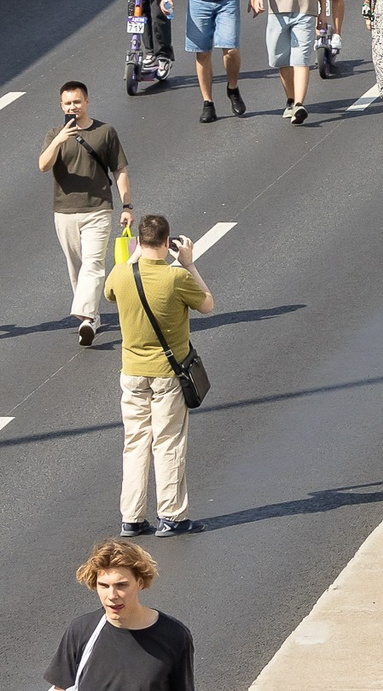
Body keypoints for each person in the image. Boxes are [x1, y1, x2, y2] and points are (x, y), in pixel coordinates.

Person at [102, 214, 211, 537]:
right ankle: (172, 516)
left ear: (139, 241)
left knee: (135, 444)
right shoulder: (175, 278)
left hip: (132, 373)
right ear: (167, 243)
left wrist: (133, 255)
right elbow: (207, 304)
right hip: (167, 375)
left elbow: (109, 294)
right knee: (167, 443)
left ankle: (132, 518)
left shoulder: (120, 275)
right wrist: (189, 264)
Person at [42, 81, 130, 349]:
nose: (73, 107)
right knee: (76, 267)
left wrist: (127, 206)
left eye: (77, 102)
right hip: (65, 211)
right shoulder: (54, 134)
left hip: (98, 209)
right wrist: (58, 141)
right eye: (68, 103)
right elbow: (43, 165)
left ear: (87, 101)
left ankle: (85, 317)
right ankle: (91, 318)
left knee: (93, 263)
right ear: (61, 105)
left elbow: (120, 170)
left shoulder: (105, 132)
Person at [46, 540, 196, 690]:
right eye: (104, 586)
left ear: (140, 583)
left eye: (121, 585)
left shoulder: (174, 635)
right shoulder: (81, 630)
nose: (112, 595)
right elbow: (59, 688)